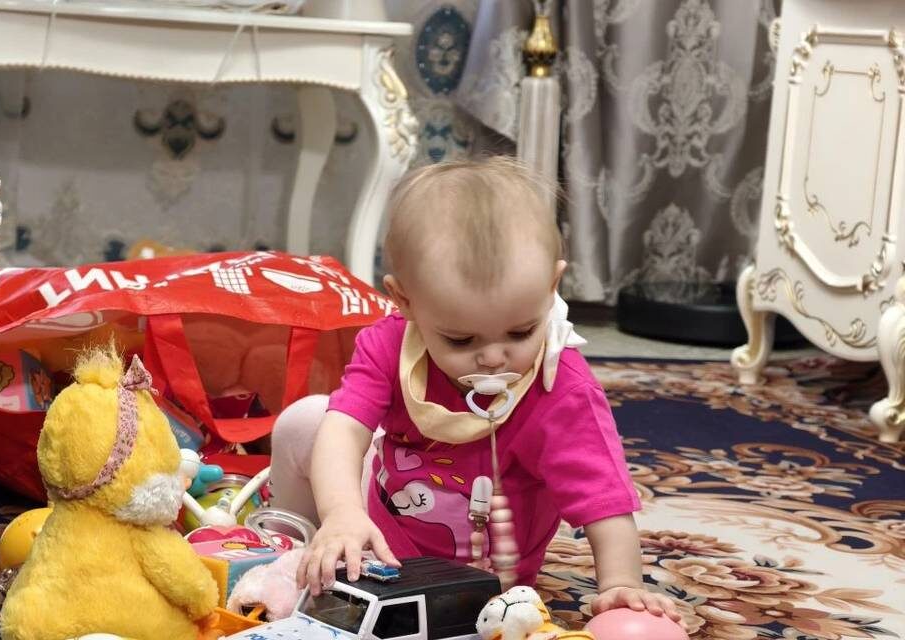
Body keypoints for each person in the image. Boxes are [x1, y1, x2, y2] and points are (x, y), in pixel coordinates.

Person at [269, 156, 682, 623]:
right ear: (405, 301)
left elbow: (603, 495)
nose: (492, 358)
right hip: (378, 536)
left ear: (552, 286)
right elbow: (345, 428)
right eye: (461, 340)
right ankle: (296, 549)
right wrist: (342, 512)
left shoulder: (561, 387)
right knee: (306, 421)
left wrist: (622, 583)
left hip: (482, 577)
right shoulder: (389, 343)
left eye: (521, 332)